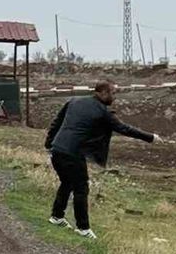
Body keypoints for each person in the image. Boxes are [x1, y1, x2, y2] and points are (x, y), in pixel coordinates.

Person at [45, 81, 163, 240]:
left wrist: (49, 144)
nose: (114, 97)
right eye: (112, 93)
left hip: (57, 149)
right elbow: (124, 129)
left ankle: (57, 217)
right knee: (81, 188)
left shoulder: (74, 101)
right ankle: (83, 228)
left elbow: (56, 123)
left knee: (67, 183)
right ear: (102, 93)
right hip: (72, 154)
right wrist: (151, 137)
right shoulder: (103, 112)